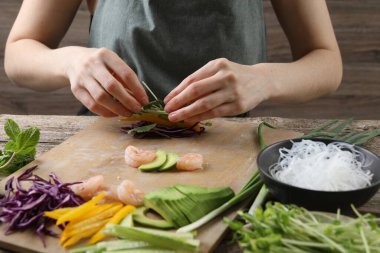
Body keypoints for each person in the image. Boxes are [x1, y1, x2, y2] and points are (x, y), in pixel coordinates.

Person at [4, 0, 342, 123]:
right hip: (108, 136)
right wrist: (70, 61)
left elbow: (327, 63)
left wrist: (265, 79)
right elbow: (19, 53)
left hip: (227, 142)